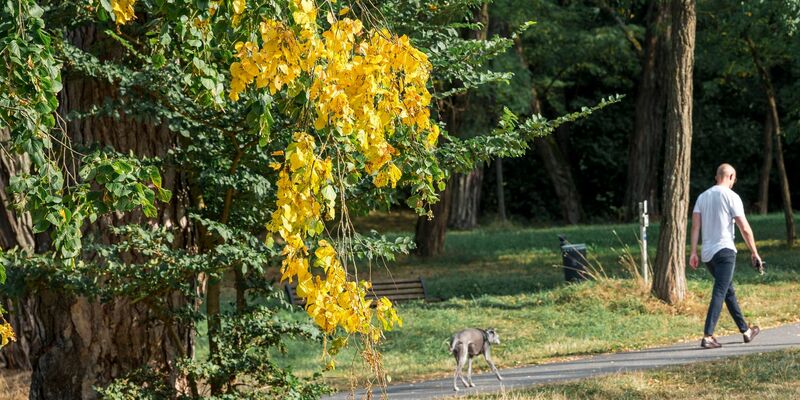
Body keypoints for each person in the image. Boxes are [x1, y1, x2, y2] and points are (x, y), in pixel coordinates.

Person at [689, 163, 761, 349]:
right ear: (730, 177)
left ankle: (745, 331)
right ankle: (708, 336)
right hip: (725, 252)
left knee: (728, 291)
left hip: (708, 255)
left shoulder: (702, 197)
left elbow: (696, 226)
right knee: (720, 291)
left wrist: (694, 252)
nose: (733, 183)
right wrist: (754, 252)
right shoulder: (732, 197)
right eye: (734, 179)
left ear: (716, 176)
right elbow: (744, 227)